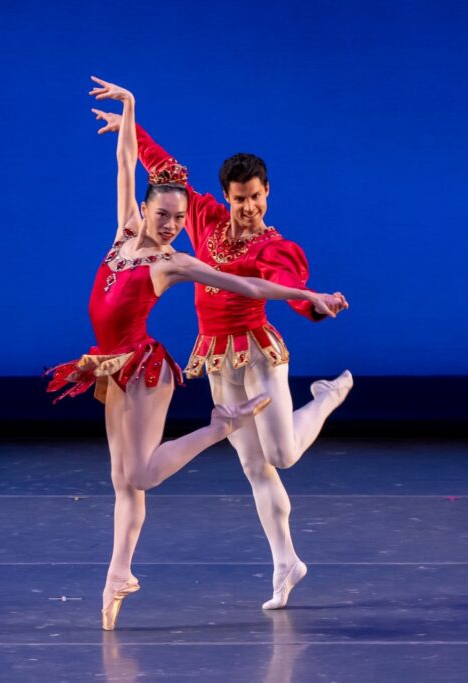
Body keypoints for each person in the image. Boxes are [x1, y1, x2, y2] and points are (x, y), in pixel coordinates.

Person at [49, 77, 346, 631]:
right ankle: (272, 562)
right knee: (223, 468)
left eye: (256, 197)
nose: (249, 207)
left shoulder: (217, 254)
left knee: (271, 456)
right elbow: (141, 167)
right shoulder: (161, 227)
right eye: (240, 198)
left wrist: (312, 299)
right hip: (192, 356)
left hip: (223, 356)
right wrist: (130, 117)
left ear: (267, 193)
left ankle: (312, 401)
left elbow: (258, 285)